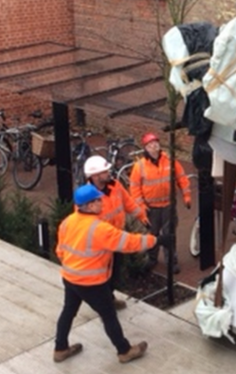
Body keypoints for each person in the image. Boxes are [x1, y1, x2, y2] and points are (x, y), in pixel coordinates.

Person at [53, 184, 171, 365]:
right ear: (90, 205)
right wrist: (157, 240)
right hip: (91, 282)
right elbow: (129, 242)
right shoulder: (99, 228)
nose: (102, 202)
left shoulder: (67, 222)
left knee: (68, 311)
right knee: (108, 315)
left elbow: (60, 250)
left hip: (70, 277)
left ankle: (60, 348)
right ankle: (124, 351)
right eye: (98, 200)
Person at [83, 155, 150, 310]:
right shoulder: (87, 197)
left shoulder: (116, 186)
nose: (108, 173)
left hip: (117, 239)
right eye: (104, 171)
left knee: (115, 273)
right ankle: (104, 303)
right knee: (102, 275)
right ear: (95, 176)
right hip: (101, 244)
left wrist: (142, 216)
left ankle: (109, 298)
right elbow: (84, 223)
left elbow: (128, 203)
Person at [129, 132, 192, 274]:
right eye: (150, 144)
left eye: (156, 143)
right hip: (151, 209)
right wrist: (142, 207)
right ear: (145, 148)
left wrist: (186, 195)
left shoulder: (170, 161)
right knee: (153, 235)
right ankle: (152, 259)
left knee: (170, 234)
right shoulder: (140, 166)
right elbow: (135, 188)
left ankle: (172, 262)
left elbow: (182, 178)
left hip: (169, 205)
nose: (154, 146)